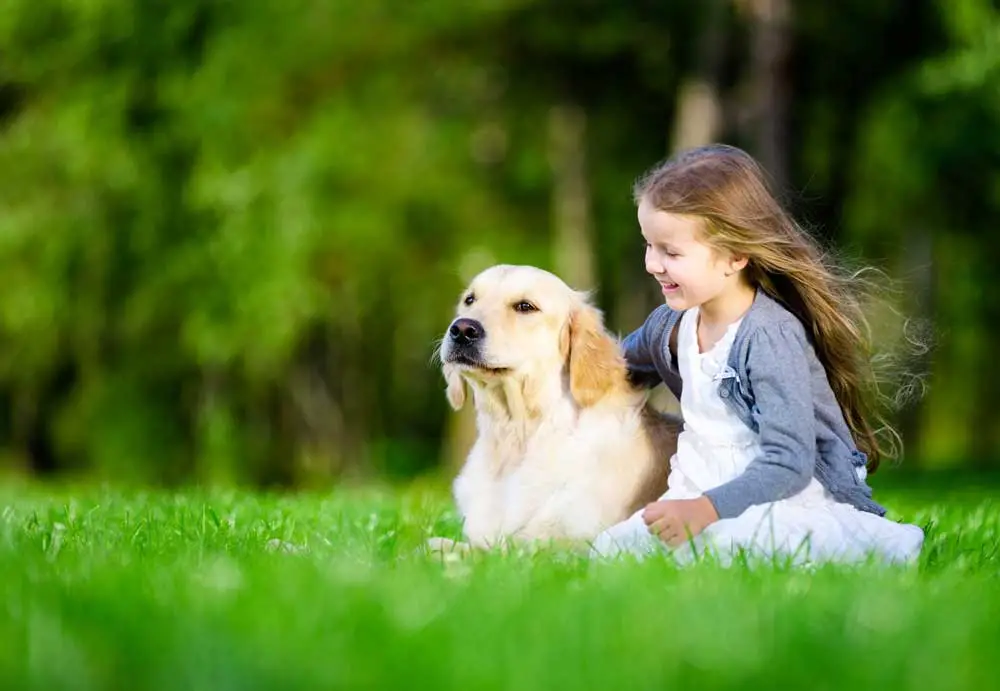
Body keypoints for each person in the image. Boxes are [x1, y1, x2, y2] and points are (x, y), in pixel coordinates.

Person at [590, 144, 925, 566]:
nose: (652, 265)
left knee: (732, 550)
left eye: (671, 252)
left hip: (782, 499)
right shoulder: (669, 327)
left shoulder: (768, 336)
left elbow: (790, 462)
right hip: (695, 498)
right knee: (611, 551)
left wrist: (705, 509)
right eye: (649, 246)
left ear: (734, 256)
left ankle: (869, 543)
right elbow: (612, 373)